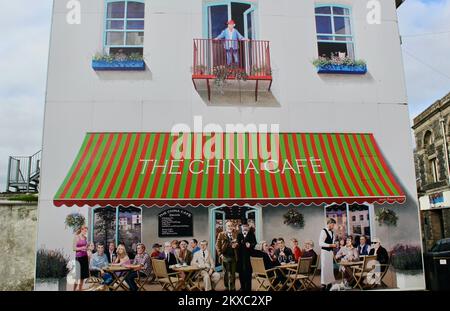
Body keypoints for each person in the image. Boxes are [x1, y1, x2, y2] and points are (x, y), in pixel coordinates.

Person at [216, 221, 238, 291]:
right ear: (225, 227)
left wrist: (236, 245)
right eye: (228, 226)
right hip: (224, 256)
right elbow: (217, 245)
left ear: (233, 226)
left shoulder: (236, 234)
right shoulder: (221, 234)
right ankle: (226, 287)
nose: (230, 227)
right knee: (226, 273)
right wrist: (220, 254)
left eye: (231, 225)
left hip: (233, 256)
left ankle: (232, 287)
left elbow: (239, 244)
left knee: (233, 273)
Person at [237, 223, 257, 291]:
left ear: (248, 227)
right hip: (240, 257)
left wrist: (250, 245)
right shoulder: (239, 235)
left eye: (246, 226)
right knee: (241, 273)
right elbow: (237, 244)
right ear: (241, 227)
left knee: (248, 273)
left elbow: (255, 243)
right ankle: (242, 287)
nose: (245, 227)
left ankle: (248, 288)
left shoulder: (251, 234)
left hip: (249, 257)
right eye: (243, 226)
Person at [319, 219, 337, 291]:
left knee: (330, 268)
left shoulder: (332, 233)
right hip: (324, 252)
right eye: (333, 224)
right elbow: (320, 243)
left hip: (330, 253)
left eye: (334, 225)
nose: (333, 226)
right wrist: (330, 245)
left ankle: (329, 283)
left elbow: (333, 243)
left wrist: (333, 251)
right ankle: (323, 284)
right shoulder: (323, 231)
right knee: (324, 268)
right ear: (329, 223)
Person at [73, 226, 89, 291]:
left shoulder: (85, 238)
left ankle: (80, 289)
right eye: (85, 231)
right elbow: (74, 248)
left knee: (82, 276)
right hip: (79, 258)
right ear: (81, 230)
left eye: (86, 231)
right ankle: (74, 290)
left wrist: (87, 247)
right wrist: (82, 248)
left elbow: (85, 248)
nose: (85, 232)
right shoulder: (76, 237)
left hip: (85, 257)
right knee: (77, 276)